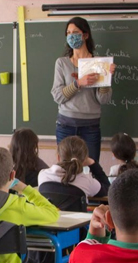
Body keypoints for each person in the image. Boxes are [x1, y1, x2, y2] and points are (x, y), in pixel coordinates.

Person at [52, 16, 117, 163]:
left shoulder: (99, 63)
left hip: (90, 126)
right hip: (66, 124)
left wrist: (106, 78)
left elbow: (103, 99)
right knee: (65, 168)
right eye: (68, 33)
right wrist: (78, 83)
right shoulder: (62, 63)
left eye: (75, 32)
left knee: (92, 168)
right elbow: (57, 96)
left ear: (85, 35)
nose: (71, 36)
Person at [38, 136, 110, 198]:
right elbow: (108, 189)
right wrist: (93, 164)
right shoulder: (87, 181)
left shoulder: (43, 175)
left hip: (49, 214)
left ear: (58, 157)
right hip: (76, 214)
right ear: (84, 160)